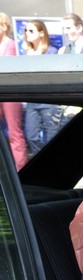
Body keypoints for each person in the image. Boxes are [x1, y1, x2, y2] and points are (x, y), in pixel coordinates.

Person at [23, 20, 63, 157]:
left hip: (49, 100)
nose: (27, 33)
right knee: (31, 136)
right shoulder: (27, 53)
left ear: (41, 33)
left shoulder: (51, 51)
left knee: (53, 137)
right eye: (25, 30)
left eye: (31, 31)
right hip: (32, 100)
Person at [0, 12, 29, 170]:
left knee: (14, 132)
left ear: (4, 27)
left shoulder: (10, 44)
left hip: (9, 92)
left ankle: (21, 169)